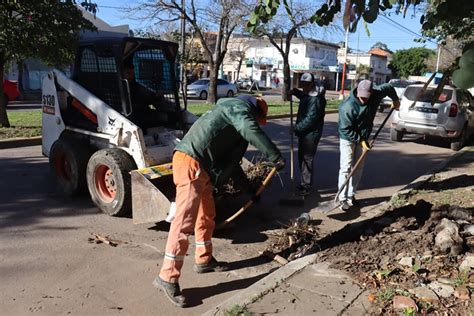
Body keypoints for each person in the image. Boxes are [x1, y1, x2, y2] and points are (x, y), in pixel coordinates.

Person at [154, 95, 285, 307]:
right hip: (191, 163)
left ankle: (204, 259)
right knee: (183, 223)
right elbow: (249, 128)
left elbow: (232, 165)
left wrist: (250, 190)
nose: (256, 123)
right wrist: (274, 155)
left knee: (207, 215)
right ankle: (167, 277)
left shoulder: (232, 118)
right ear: (255, 112)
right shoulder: (237, 108)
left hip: (202, 169)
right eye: (258, 119)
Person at [337, 79, 400, 210]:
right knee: (346, 167)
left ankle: (350, 196)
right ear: (357, 91)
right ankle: (342, 199)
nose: (363, 100)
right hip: (348, 138)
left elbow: (388, 87)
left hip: (364, 135)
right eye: (361, 97)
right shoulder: (347, 107)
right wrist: (360, 140)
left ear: (371, 92)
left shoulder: (377, 93)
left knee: (358, 167)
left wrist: (395, 99)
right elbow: (345, 129)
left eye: (366, 97)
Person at [290, 73, 326, 196]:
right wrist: (295, 92)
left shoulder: (315, 98)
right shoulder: (309, 94)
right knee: (302, 157)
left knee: (307, 159)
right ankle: (304, 183)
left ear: (312, 84)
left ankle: (306, 185)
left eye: (306, 84)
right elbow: (305, 97)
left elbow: (311, 118)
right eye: (302, 84)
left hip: (311, 134)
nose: (304, 87)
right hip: (304, 133)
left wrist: (296, 128)